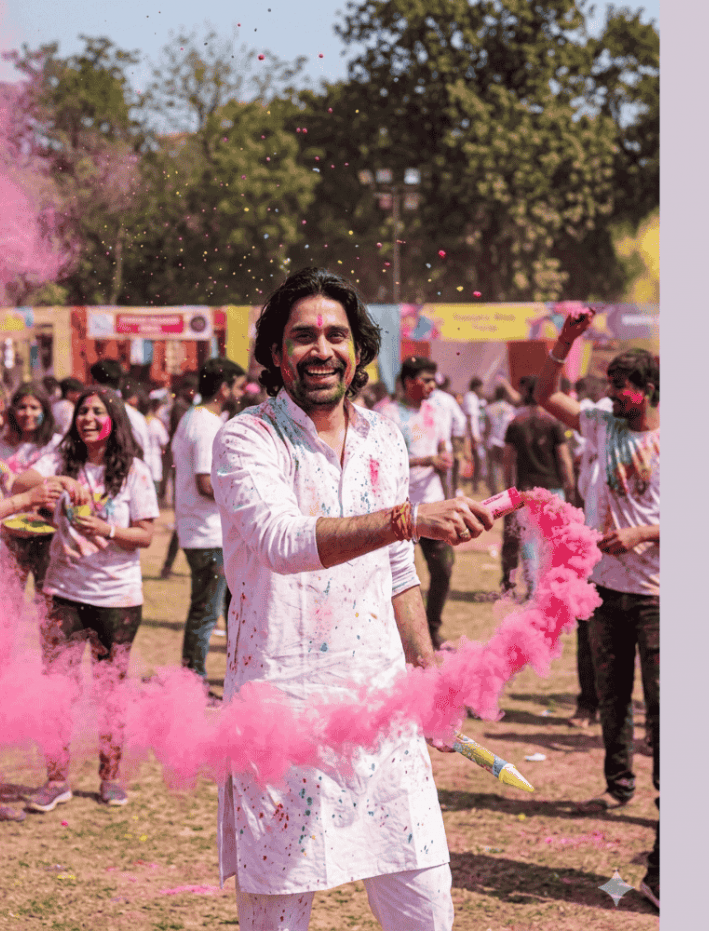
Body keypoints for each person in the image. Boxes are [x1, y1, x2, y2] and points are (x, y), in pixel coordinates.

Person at [211, 267, 496, 931]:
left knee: (427, 911)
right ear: (277, 354)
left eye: (336, 334)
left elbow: (399, 571)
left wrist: (426, 673)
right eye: (302, 335)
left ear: (360, 349)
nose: (321, 349)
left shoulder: (383, 438)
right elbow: (282, 540)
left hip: (381, 709)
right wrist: (409, 518)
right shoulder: (246, 438)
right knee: (278, 919)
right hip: (281, 710)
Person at [534, 312, 660, 911]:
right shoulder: (603, 424)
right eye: (609, 387)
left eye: (624, 391)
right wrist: (566, 341)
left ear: (650, 392)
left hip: (661, 594)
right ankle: (620, 783)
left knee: (661, 705)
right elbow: (545, 394)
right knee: (611, 692)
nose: (614, 398)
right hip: (605, 589)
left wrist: (642, 535)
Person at [12, 386, 160, 812]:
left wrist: (106, 530)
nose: (89, 419)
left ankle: (109, 777)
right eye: (82, 412)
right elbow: (18, 482)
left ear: (114, 418)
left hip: (117, 599)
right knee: (57, 690)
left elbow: (146, 535)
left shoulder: (133, 471)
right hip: (64, 593)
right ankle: (55, 779)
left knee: (111, 690)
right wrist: (54, 481)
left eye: (98, 412)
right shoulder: (61, 461)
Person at [0, 372, 63, 832]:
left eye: (3, 412)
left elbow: (20, 479)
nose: (1, 421)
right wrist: (20, 502)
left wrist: (53, 485)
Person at [171, 356, 246, 697]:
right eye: (238, 386)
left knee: (219, 609)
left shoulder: (198, 419)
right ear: (223, 388)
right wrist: (243, 496)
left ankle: (213, 677)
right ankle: (194, 682)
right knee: (206, 612)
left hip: (206, 531)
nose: (242, 393)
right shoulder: (203, 424)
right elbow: (205, 483)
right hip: (206, 533)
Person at [379, 357, 455, 651]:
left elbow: (442, 445)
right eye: (427, 379)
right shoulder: (387, 415)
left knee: (444, 570)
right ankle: (401, 637)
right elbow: (384, 461)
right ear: (409, 381)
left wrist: (444, 457)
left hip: (433, 505)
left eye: (435, 380)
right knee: (396, 576)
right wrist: (427, 460)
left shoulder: (437, 411)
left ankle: (432, 629)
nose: (433, 386)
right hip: (399, 510)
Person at [499, 375, 574, 600]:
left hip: (526, 490)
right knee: (552, 543)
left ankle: (534, 592)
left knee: (529, 544)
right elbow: (564, 459)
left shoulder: (515, 422)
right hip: (553, 489)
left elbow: (507, 461)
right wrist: (569, 486)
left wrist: (508, 491)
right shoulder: (553, 422)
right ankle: (552, 590)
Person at [567, 374, 613, 727]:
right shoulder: (599, 429)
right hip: (593, 546)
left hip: (640, 554)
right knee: (588, 625)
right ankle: (588, 702)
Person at [0, 381, 64, 590]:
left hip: (47, 535)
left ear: (45, 411)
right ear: (12, 411)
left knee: (48, 602)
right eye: (22, 407)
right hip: (9, 535)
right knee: (9, 601)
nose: (27, 413)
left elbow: (21, 484)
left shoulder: (55, 444)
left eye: (34, 407)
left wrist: (8, 476)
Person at [159, 374, 199, 577]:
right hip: (183, 468)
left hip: (185, 467)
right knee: (181, 522)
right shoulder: (182, 408)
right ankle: (167, 565)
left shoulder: (187, 408)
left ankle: (168, 565)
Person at [429, 374, 468, 498]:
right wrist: (456, 438)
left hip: (424, 450)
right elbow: (460, 421)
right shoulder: (448, 399)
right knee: (446, 483)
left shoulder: (424, 398)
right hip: (445, 447)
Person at [483, 383, 516, 495]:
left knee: (493, 469)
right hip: (506, 442)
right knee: (507, 469)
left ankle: (494, 493)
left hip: (492, 441)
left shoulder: (489, 408)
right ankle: (507, 492)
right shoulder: (511, 409)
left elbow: (487, 428)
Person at [462, 376, 487, 493]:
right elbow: (471, 417)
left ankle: (475, 483)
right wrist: (474, 435)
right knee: (475, 460)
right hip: (472, 435)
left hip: (475, 434)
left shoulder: (475, 398)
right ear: (477, 387)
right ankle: (474, 484)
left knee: (478, 460)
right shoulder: (470, 397)